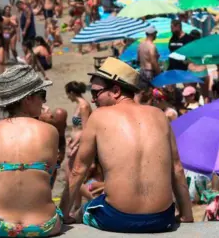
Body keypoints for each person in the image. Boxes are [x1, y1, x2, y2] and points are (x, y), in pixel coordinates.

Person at [60, 58, 194, 233]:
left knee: (82, 211)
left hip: (118, 217)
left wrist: (63, 215)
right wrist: (187, 215)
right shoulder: (159, 115)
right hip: (162, 218)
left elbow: (79, 170)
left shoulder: (99, 116)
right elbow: (177, 168)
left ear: (116, 90)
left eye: (96, 93)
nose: (93, 100)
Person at [0, 65, 62, 237]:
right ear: (27, 99)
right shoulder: (50, 132)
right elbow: (47, 180)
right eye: (41, 95)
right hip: (44, 226)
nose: (44, 102)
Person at [65, 81, 92, 158]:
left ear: (72, 93)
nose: (68, 97)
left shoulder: (83, 106)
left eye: (68, 94)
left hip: (80, 144)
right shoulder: (79, 105)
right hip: (76, 143)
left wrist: (73, 145)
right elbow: (77, 127)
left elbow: (85, 129)